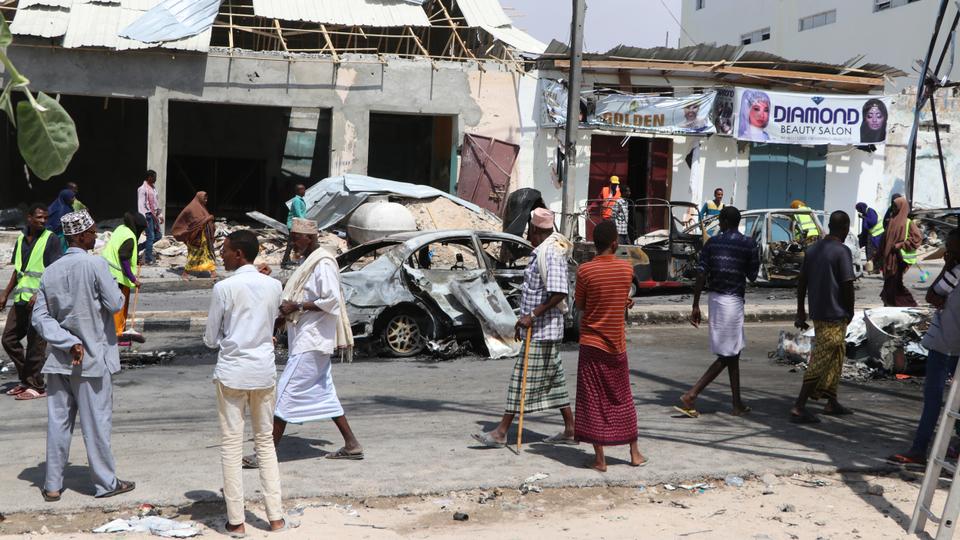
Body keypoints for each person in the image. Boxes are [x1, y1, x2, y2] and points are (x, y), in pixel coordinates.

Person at [31, 209, 135, 501]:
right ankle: (106, 483)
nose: (94, 238)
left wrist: (66, 340)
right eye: (91, 233)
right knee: (97, 425)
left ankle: (52, 485)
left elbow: (40, 318)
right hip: (91, 361)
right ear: (79, 236)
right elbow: (115, 304)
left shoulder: (50, 271)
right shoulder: (95, 265)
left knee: (58, 425)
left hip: (60, 361)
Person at [244, 218, 363, 469]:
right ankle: (352, 444)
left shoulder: (323, 263)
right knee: (326, 393)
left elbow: (330, 300)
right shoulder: (309, 262)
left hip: (313, 340)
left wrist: (296, 306)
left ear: (309, 237)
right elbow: (296, 294)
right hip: (307, 339)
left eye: (295, 237)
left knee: (282, 396)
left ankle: (266, 454)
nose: (292, 243)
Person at [203, 230, 294, 536]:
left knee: (231, 445)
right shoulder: (273, 285)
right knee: (265, 443)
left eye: (225, 250)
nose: (222, 255)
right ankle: (276, 517)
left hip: (232, 373)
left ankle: (237, 521)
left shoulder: (224, 288)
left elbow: (210, 338)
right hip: (264, 372)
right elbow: (274, 322)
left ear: (239, 254)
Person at [473, 208, 576, 447]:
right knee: (555, 379)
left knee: (520, 379)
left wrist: (532, 315)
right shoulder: (541, 251)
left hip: (544, 329)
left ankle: (501, 432)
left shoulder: (550, 253)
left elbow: (559, 292)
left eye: (530, 229)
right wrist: (524, 321)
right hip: (539, 328)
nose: (527, 233)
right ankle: (570, 428)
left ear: (537, 230)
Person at [574, 220, 645, 472]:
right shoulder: (626, 270)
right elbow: (617, 295)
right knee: (622, 397)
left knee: (592, 400)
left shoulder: (585, 271)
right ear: (615, 243)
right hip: (617, 345)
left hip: (592, 343)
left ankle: (600, 459)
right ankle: (634, 453)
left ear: (595, 244)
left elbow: (581, 305)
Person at [677, 206, 759, 418]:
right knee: (728, 354)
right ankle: (692, 395)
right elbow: (752, 275)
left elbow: (701, 275)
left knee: (733, 353)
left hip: (715, 299)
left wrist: (695, 304)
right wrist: (753, 254)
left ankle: (737, 402)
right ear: (738, 222)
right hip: (733, 301)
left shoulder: (712, 243)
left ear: (722, 221)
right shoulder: (748, 243)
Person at [888, 229, 960, 465]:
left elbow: (932, 296)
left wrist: (947, 267)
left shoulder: (954, 273)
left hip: (945, 343)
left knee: (933, 398)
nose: (946, 252)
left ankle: (919, 449)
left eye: (950, 248)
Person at [790, 211, 857, 424]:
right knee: (820, 359)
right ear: (845, 228)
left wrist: (801, 310)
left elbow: (802, 282)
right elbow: (847, 284)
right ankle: (799, 406)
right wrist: (851, 310)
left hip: (819, 312)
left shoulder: (813, 249)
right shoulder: (842, 251)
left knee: (837, 355)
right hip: (835, 314)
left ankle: (831, 400)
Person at [1, 204, 62, 400]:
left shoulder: (50, 240)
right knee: (9, 339)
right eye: (39, 217)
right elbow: (18, 270)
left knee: (36, 344)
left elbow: (55, 272)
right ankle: (26, 378)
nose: (43, 221)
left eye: (46, 218)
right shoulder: (20, 239)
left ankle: (37, 386)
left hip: (40, 301)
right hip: (20, 299)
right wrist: (5, 293)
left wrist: (39, 293)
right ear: (29, 218)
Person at [101, 213, 146, 339]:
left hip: (106, 271)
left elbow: (121, 250)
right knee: (118, 306)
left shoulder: (121, 228)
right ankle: (117, 333)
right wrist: (133, 279)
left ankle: (114, 330)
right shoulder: (130, 237)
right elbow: (124, 257)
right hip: (117, 276)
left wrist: (136, 259)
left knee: (110, 305)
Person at [880, 195, 922, 307]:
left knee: (895, 284)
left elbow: (917, 239)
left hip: (899, 259)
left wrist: (901, 245)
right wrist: (877, 256)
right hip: (889, 258)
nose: (893, 209)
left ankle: (910, 305)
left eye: (895, 207)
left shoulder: (908, 222)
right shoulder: (891, 221)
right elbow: (884, 240)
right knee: (890, 283)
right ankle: (890, 305)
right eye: (893, 206)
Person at [172, 191, 217, 279]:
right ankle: (185, 273)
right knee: (194, 255)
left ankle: (213, 271)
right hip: (196, 238)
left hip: (205, 238)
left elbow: (204, 221)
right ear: (199, 198)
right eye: (205, 198)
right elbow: (194, 223)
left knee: (208, 254)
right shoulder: (191, 208)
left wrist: (209, 220)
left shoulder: (202, 208)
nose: (206, 200)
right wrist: (208, 219)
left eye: (207, 199)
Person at [136, 170, 163, 266]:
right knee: (151, 236)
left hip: (154, 215)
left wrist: (160, 215)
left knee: (158, 236)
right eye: (153, 177)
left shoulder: (153, 189)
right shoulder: (142, 189)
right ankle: (148, 259)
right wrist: (143, 219)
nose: (155, 179)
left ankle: (139, 248)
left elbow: (156, 203)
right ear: (149, 177)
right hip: (147, 215)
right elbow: (141, 205)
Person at [282, 184, 308, 268]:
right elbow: (298, 213)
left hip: (297, 224)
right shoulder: (297, 200)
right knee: (291, 244)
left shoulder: (300, 200)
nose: (304, 191)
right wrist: (306, 223)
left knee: (294, 244)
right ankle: (284, 263)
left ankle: (288, 260)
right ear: (298, 191)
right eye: (303, 189)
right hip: (294, 224)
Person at [855, 202, 883, 267]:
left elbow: (873, 222)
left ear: (861, 208)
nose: (858, 211)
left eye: (858, 209)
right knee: (871, 251)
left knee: (872, 252)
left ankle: (873, 267)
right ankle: (872, 266)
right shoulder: (866, 213)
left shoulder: (870, 211)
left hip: (876, 235)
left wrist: (863, 218)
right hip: (874, 235)